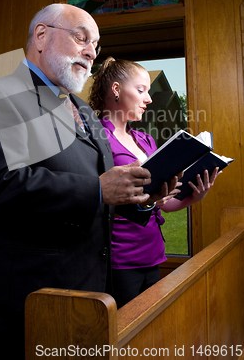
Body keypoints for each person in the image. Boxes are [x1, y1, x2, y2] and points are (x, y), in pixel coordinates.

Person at [0, 4, 173, 359]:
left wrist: (145, 195)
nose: (92, 51)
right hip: (36, 303)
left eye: (96, 45)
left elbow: (108, 194)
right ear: (41, 36)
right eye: (81, 37)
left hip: (94, 298)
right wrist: (99, 189)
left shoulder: (86, 111)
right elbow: (1, 184)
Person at [88, 57, 220, 308]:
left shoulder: (145, 140)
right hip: (120, 256)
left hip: (153, 252)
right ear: (116, 90)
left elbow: (163, 203)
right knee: (124, 336)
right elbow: (95, 195)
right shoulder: (96, 137)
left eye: (149, 91)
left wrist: (196, 195)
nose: (148, 98)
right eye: (141, 90)